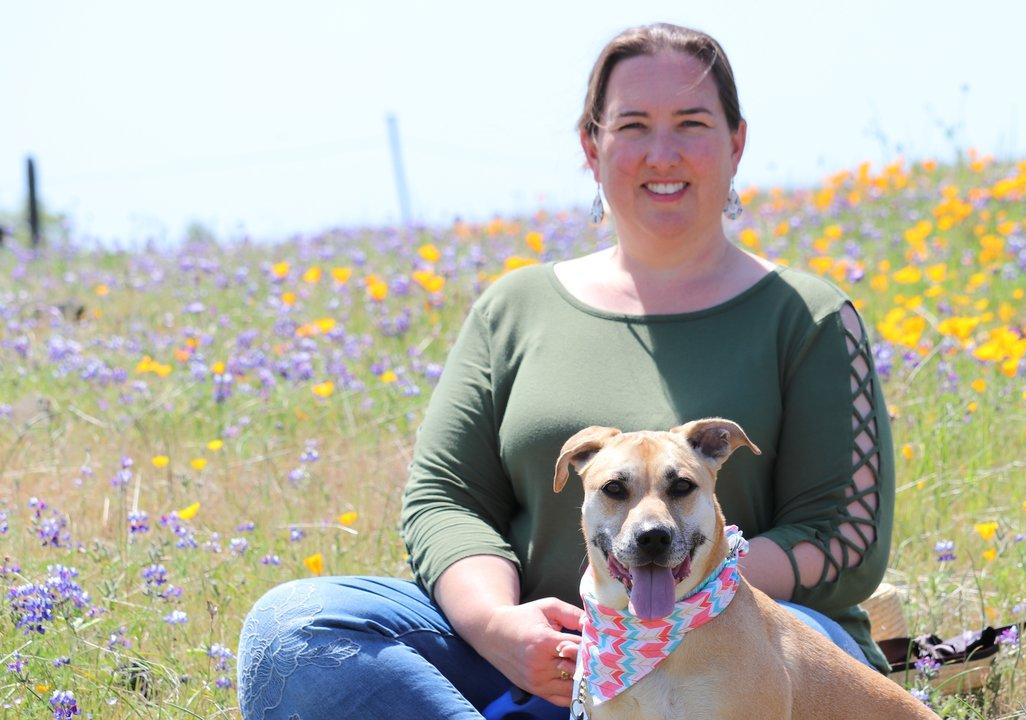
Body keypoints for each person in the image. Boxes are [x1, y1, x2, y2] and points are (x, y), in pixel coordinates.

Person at [236, 22, 896, 719]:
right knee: (297, 631)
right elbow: (445, 499)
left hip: (746, 646)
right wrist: (497, 627)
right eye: (634, 125)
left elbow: (845, 538)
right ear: (592, 144)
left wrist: (671, 595)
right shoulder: (514, 308)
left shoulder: (809, 316)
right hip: (544, 655)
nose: (662, 153)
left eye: (692, 123)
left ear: (736, 142)